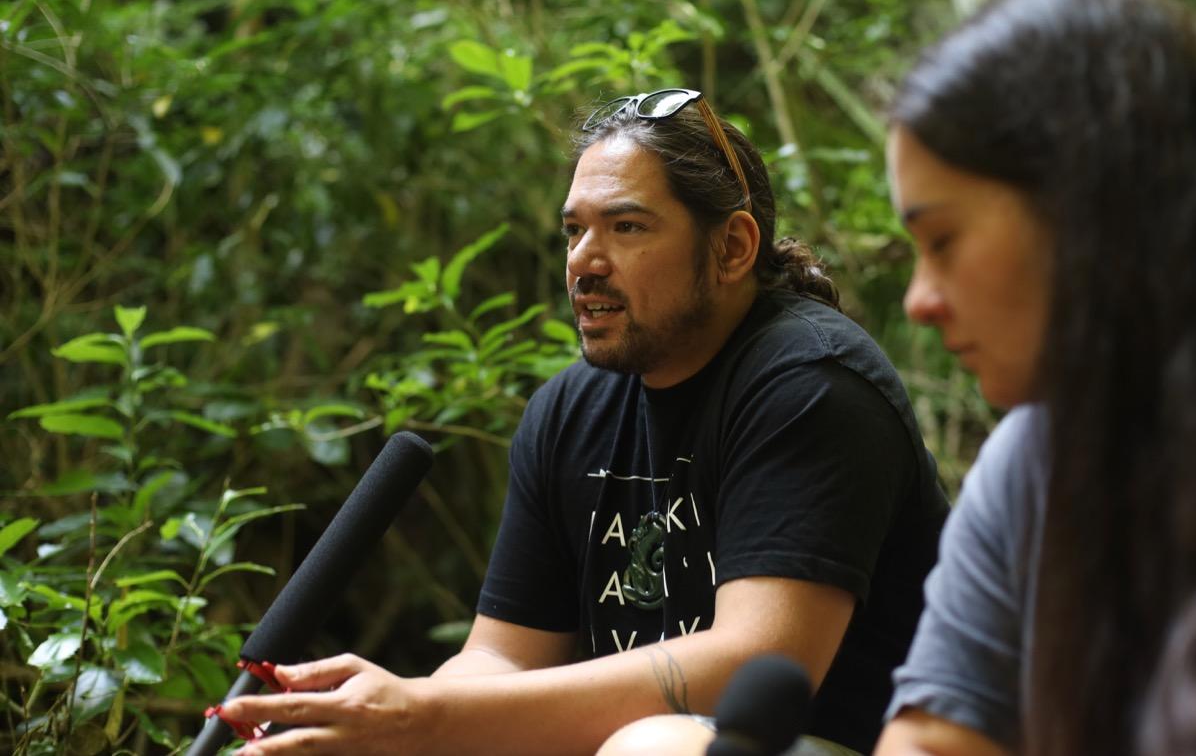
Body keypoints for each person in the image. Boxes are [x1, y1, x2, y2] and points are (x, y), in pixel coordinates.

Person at [221, 88, 950, 755]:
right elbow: (502, 658)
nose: (584, 262)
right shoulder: (570, 409)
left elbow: (755, 661)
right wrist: (382, 718)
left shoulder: (810, 384)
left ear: (731, 248)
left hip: (849, 745)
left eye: (625, 226)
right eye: (574, 231)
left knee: (652, 747)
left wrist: (428, 715)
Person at [873, 0, 1196, 756]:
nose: (921, 299)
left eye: (943, 241)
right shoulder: (1031, 461)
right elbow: (933, 739)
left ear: (1087, 208)